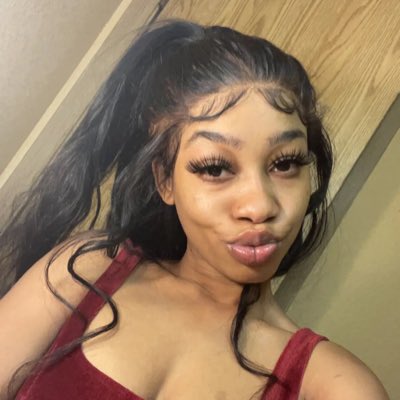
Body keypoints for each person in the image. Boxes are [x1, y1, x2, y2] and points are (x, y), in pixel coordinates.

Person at [0, 18, 389, 400]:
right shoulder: (85, 269)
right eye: (215, 168)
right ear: (165, 181)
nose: (260, 206)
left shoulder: (336, 387)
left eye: (285, 163)